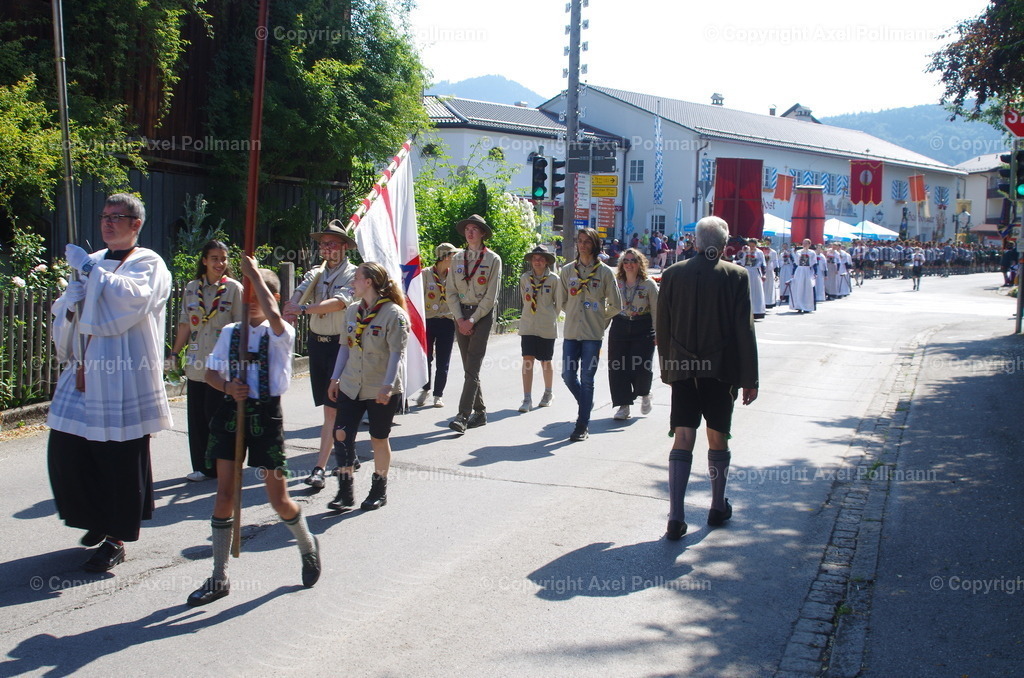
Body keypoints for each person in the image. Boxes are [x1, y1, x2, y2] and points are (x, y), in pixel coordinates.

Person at [48, 193, 173, 572]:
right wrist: (69, 303)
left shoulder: (149, 262)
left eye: (116, 217)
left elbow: (130, 303)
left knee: (116, 459)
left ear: (136, 224)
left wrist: (89, 272)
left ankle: (115, 537)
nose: (107, 222)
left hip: (122, 375)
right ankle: (93, 516)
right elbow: (73, 316)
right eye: (104, 216)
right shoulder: (97, 261)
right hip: (84, 370)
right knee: (66, 451)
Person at [186, 256, 320, 606]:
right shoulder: (231, 332)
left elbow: (275, 316)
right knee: (225, 494)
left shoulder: (281, 332)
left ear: (270, 297)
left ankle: (307, 545)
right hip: (231, 413)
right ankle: (219, 576)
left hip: (265, 417)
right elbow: (211, 374)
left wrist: (254, 275)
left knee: (278, 498)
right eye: (248, 295)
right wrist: (228, 387)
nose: (251, 302)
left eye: (259, 295)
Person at [656, 216, 758, 541]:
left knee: (683, 437)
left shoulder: (672, 275)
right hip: (720, 371)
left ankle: (675, 515)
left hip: (683, 371)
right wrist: (750, 378)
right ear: (725, 244)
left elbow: (663, 329)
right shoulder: (737, 276)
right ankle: (716, 505)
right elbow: (745, 330)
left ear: (696, 243)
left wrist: (668, 369)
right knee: (718, 437)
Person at [326, 262, 409, 512]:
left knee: (378, 439)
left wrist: (386, 385)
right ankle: (345, 492)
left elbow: (396, 354)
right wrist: (334, 378)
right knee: (341, 434)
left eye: (356, 278)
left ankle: (379, 489)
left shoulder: (394, 314)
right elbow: (344, 347)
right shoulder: (352, 312)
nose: (352, 283)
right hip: (351, 384)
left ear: (369, 282)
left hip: (380, 387)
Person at [282, 221, 357, 490]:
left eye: (332, 243)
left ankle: (319, 467)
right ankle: (347, 451)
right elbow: (300, 293)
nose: (326, 248)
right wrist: (291, 306)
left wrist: (302, 310)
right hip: (318, 344)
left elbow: (339, 302)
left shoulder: (353, 274)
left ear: (345, 247)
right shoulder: (315, 273)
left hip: (340, 345)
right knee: (335, 406)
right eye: (323, 244)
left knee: (331, 408)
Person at [171, 240, 243, 482]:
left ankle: (221, 465)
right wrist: (173, 353)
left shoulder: (234, 288)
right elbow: (184, 325)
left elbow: (241, 329)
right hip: (196, 361)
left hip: (221, 366)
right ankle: (201, 466)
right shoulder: (192, 288)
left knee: (217, 416)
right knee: (198, 417)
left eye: (223, 259)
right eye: (214, 258)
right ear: (204, 260)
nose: (220, 263)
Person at [558, 227, 622, 441]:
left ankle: (582, 424)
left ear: (595, 245)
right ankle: (586, 403)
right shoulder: (567, 271)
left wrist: (600, 320)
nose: (583, 245)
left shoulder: (604, 272)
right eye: (580, 241)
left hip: (593, 335)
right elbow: (562, 300)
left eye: (587, 241)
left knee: (587, 378)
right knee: (568, 375)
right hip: (571, 332)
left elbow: (616, 304)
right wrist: (575, 312)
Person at [446, 215, 502, 434]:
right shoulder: (457, 258)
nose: (470, 233)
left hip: (482, 315)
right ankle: (480, 412)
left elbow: (491, 297)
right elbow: (450, 291)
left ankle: (462, 415)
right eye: (467, 229)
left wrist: (471, 320)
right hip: (461, 314)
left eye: (474, 229)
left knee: (473, 364)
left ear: (482, 234)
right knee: (469, 366)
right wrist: (460, 318)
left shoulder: (493, 259)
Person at [608, 248, 658, 421]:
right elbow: (608, 306)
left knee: (641, 365)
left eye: (633, 261)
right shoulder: (616, 282)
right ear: (622, 264)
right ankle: (623, 406)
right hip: (620, 325)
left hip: (642, 326)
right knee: (617, 366)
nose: (629, 264)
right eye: (626, 261)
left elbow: (657, 311)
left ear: (640, 264)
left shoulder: (648, 284)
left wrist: (657, 332)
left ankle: (644, 393)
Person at [414, 243, 459, 408]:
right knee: (426, 358)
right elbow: (417, 297)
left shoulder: (454, 275)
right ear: (445, 257)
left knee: (443, 360)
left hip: (446, 321)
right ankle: (425, 389)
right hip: (428, 321)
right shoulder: (425, 274)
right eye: (453, 255)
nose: (455, 259)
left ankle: (438, 394)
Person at [518, 245, 559, 413]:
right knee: (527, 360)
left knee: (545, 360)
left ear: (547, 262)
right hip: (528, 324)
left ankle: (548, 393)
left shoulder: (554, 279)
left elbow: (558, 303)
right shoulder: (525, 278)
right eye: (535, 258)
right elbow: (524, 299)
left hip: (546, 325)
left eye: (541, 258)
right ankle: (527, 398)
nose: (538, 261)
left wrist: (548, 316)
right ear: (531, 261)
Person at [740, 240, 767, 319]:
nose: (751, 247)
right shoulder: (745, 251)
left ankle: (757, 311)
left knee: (756, 291)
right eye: (750, 245)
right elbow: (740, 260)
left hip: (755, 272)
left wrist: (764, 274)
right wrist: (743, 252)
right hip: (747, 270)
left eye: (753, 245)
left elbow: (763, 263)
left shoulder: (759, 252)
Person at [788, 239, 816, 313]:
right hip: (799, 270)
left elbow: (814, 263)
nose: (804, 245)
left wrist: (815, 273)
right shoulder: (798, 252)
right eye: (803, 243)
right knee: (798, 287)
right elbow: (795, 263)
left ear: (809, 244)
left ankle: (807, 306)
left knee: (807, 288)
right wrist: (793, 273)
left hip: (807, 270)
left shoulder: (812, 252)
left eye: (806, 243)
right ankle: (798, 305)